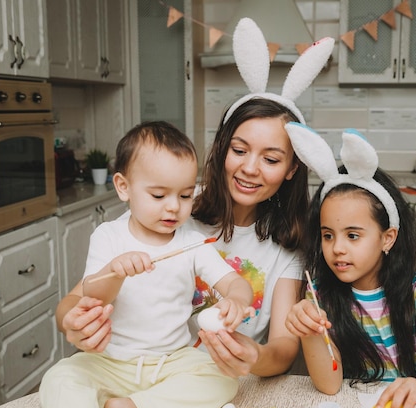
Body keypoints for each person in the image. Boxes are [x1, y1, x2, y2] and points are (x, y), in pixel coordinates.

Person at [55, 18, 335, 379]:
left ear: (292, 168)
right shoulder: (176, 209)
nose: (250, 168)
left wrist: (253, 356)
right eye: (239, 149)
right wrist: (71, 323)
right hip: (144, 372)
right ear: (221, 149)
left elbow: (282, 349)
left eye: (270, 159)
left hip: (222, 385)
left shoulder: (286, 247)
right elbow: (77, 299)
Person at [40, 121, 254, 408]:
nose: (174, 206)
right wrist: (115, 272)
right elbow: (91, 298)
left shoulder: (193, 242)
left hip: (173, 361)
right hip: (109, 362)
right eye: (159, 195)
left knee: (224, 379)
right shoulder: (108, 237)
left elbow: (235, 283)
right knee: (59, 378)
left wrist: (238, 302)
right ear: (124, 187)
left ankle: (134, 407)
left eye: (185, 195)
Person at [283, 124, 416, 408]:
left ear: (387, 238)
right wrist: (310, 332)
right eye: (328, 235)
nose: (337, 249)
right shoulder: (318, 294)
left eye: (353, 236)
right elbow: (330, 386)